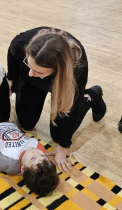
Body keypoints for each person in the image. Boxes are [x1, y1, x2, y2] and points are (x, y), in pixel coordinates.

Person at [7, 27, 106, 171]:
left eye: (37, 71)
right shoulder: (21, 43)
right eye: (28, 64)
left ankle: (90, 96)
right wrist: (11, 78)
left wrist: (64, 147)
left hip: (63, 83)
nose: (30, 73)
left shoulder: (77, 69)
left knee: (58, 137)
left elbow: (72, 107)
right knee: (26, 123)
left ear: (57, 71)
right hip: (38, 76)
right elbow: (12, 52)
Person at [0, 122, 59, 196]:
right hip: (4, 120)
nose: (36, 152)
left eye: (33, 158)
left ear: (23, 169)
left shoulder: (6, 161)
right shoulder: (39, 148)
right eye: (43, 157)